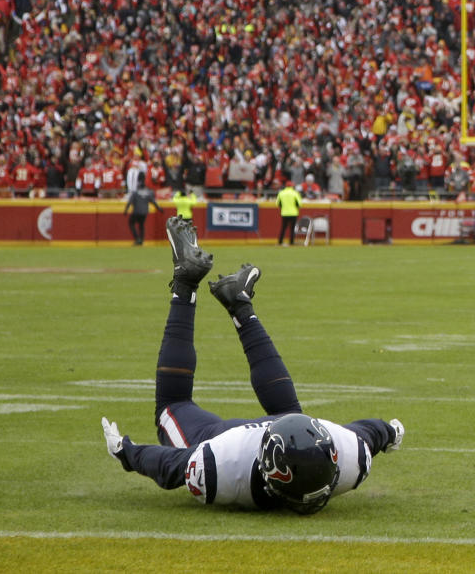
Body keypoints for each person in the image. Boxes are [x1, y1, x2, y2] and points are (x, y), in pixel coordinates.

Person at [100, 218, 404, 512]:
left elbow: (368, 433)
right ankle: (187, 284)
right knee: (172, 404)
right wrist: (128, 453)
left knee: (291, 417)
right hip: (220, 437)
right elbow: (170, 466)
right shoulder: (222, 464)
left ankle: (237, 302)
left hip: (274, 434)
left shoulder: (349, 454)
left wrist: (389, 433)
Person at [276, 179, 302, 245]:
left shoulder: (281, 193)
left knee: (283, 228)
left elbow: (278, 203)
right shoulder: (295, 193)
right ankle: (291, 241)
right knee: (292, 228)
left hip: (284, 213)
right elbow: (299, 204)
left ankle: (280, 241)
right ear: (292, 186)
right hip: (293, 213)